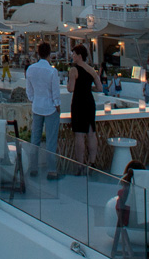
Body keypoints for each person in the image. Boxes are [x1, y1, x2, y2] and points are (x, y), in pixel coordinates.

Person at [25, 41, 63, 180]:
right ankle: (51, 170)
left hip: (37, 106)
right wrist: (57, 104)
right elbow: (55, 91)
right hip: (50, 107)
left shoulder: (30, 69)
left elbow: (29, 89)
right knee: (51, 140)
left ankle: (33, 167)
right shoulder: (52, 71)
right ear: (49, 54)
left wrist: (33, 99)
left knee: (35, 138)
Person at [66, 43, 99, 172]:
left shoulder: (74, 70)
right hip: (89, 102)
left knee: (79, 135)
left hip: (79, 102)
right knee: (91, 133)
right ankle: (92, 162)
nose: (72, 56)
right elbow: (100, 88)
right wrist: (88, 88)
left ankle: (79, 165)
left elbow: (70, 88)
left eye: (74, 54)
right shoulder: (91, 70)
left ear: (79, 56)